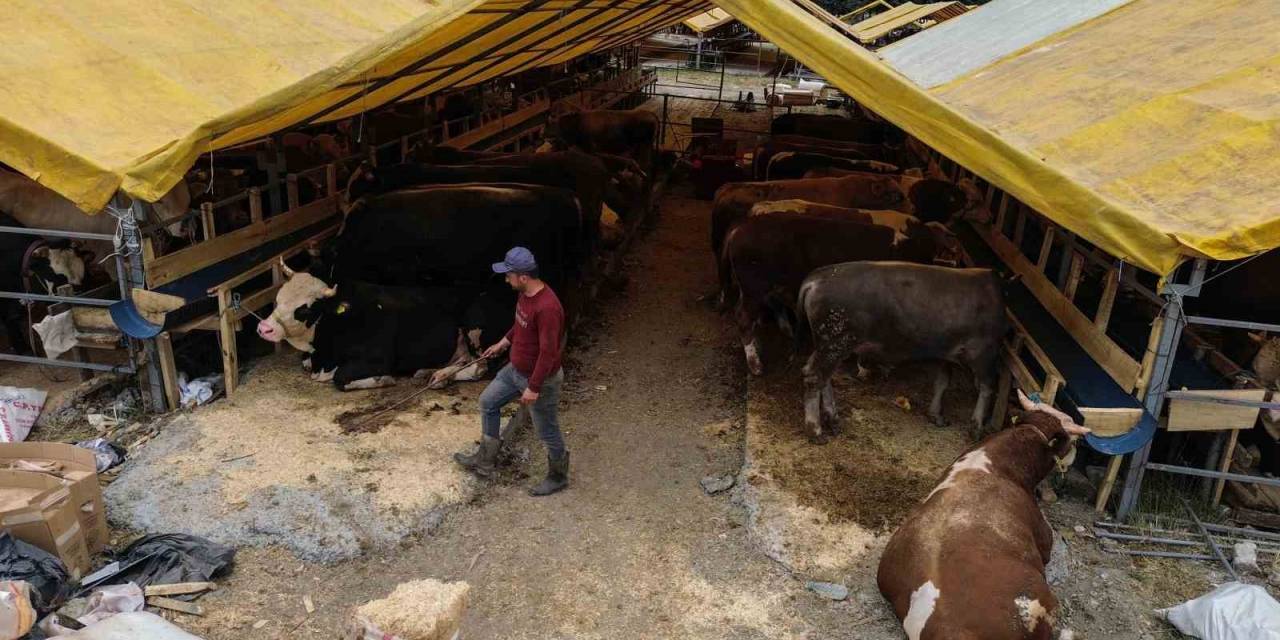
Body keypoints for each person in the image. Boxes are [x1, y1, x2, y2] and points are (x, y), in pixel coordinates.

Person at [454, 247, 569, 496]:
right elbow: (520, 325)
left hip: (540, 377)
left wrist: (534, 387)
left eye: (509, 275)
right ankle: (485, 460)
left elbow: (549, 353)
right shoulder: (525, 295)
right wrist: (503, 343)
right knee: (488, 401)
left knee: (546, 430)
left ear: (523, 276)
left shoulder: (547, 307)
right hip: (515, 369)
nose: (506, 280)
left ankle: (558, 476)